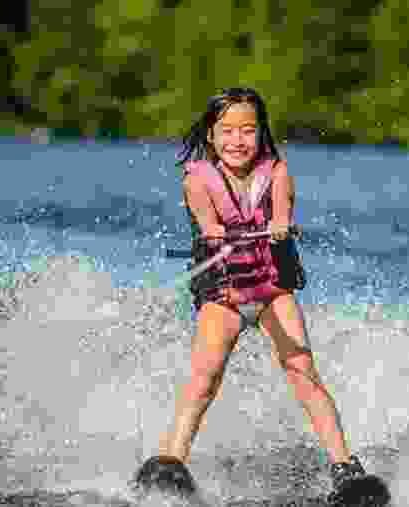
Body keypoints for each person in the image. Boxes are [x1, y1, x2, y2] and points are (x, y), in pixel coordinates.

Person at [134, 88, 367, 496]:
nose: (237, 141)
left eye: (247, 131)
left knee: (303, 373)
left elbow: (282, 211)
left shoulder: (277, 171)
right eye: (227, 131)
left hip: (273, 291)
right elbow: (205, 217)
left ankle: (345, 467)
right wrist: (212, 230)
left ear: (261, 134)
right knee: (204, 379)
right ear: (210, 135)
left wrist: (279, 225)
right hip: (224, 293)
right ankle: (170, 462)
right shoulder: (196, 179)